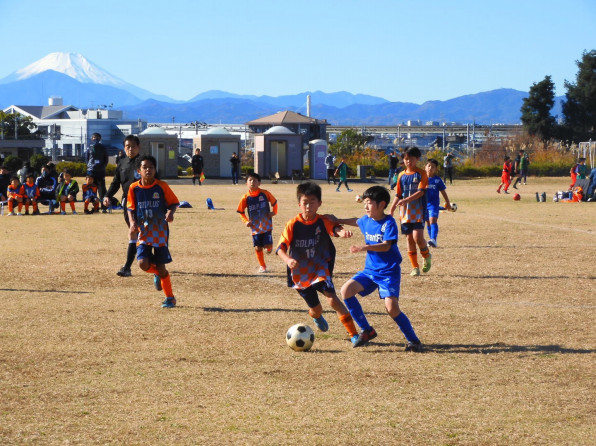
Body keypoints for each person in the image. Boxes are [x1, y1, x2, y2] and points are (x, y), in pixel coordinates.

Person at [333, 186, 423, 351]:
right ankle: (367, 330)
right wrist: (337, 219)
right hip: (370, 271)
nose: (365, 206)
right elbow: (356, 220)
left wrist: (364, 248)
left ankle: (414, 341)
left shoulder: (389, 222)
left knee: (391, 308)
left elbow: (386, 246)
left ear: (381, 204)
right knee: (346, 290)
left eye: (369, 203)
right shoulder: (366, 220)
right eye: (365, 203)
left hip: (388, 272)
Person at [276, 181, 359, 342]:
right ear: (299, 204)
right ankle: (316, 316)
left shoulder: (323, 220)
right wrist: (288, 260)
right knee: (316, 309)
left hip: (321, 268)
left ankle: (354, 334)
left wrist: (342, 233)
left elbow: (335, 228)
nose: (308, 206)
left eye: (312, 202)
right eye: (305, 203)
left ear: (319, 203)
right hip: (300, 274)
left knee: (333, 299)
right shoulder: (292, 224)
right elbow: (280, 248)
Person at [127, 155, 180, 308]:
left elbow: (173, 203)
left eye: (151, 167)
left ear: (155, 170)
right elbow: (130, 208)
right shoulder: (134, 188)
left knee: (162, 267)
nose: (148, 170)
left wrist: (171, 212)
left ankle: (170, 298)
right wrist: (132, 223)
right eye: (145, 167)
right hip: (143, 232)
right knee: (143, 264)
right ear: (139, 171)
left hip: (160, 233)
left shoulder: (162, 186)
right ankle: (156, 273)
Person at [103, 135, 142, 277]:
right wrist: (107, 195)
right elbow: (115, 182)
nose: (130, 149)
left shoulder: (144, 162)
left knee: (138, 232)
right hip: (128, 203)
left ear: (139, 147)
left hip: (143, 202)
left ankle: (127, 266)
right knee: (134, 231)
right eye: (127, 146)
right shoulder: (122, 163)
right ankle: (146, 260)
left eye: (133, 146)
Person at [389, 146, 431, 276]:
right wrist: (392, 209)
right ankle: (415, 267)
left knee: (418, 237)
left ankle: (426, 255)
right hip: (404, 213)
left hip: (418, 211)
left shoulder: (421, 173)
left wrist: (406, 200)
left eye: (411, 159)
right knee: (409, 239)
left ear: (417, 159)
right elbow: (398, 194)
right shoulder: (401, 175)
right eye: (406, 159)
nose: (408, 162)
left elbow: (420, 192)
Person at [237, 172, 278, 273]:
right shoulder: (245, 197)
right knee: (258, 248)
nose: (252, 182)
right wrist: (246, 221)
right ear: (246, 183)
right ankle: (262, 266)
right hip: (255, 227)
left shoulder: (265, 193)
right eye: (250, 180)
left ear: (259, 183)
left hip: (266, 225)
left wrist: (274, 212)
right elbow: (241, 212)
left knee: (267, 246)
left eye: (255, 180)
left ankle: (269, 247)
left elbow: (274, 202)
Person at [424, 159, 451, 248]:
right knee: (428, 222)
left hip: (434, 204)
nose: (430, 168)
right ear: (425, 167)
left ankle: (433, 240)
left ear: (436, 169)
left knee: (433, 220)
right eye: (429, 166)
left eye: (433, 167)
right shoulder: (421, 178)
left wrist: (447, 202)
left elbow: (443, 192)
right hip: (423, 205)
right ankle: (431, 240)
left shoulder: (437, 180)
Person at [85, 133, 109, 212]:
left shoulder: (103, 148)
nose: (95, 139)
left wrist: (102, 166)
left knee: (102, 189)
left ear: (100, 139)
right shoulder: (89, 148)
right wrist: (89, 167)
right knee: (91, 189)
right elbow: (87, 159)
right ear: (92, 139)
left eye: (97, 137)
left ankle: (104, 207)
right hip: (91, 171)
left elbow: (106, 159)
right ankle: (95, 206)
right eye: (94, 137)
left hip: (100, 171)